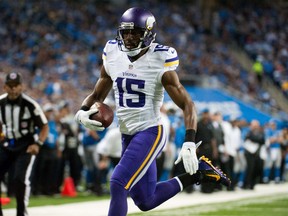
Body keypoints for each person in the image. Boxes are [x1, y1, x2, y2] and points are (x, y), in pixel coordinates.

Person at [75, 7, 230, 216]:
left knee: (118, 183)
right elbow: (97, 93)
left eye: (136, 32)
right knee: (145, 201)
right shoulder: (112, 53)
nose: (129, 37)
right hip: (127, 134)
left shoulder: (160, 59)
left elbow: (187, 104)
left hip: (150, 131)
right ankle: (197, 175)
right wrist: (82, 111)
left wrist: (190, 140)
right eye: (126, 32)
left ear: (148, 34)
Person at [0, 72, 49, 216]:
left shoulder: (30, 104)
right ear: (5, 87)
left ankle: (21, 212)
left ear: (21, 87)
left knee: (19, 179)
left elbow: (44, 126)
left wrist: (38, 144)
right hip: (7, 144)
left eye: (16, 86)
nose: (13, 89)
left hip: (26, 145)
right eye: (10, 86)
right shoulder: (1, 103)